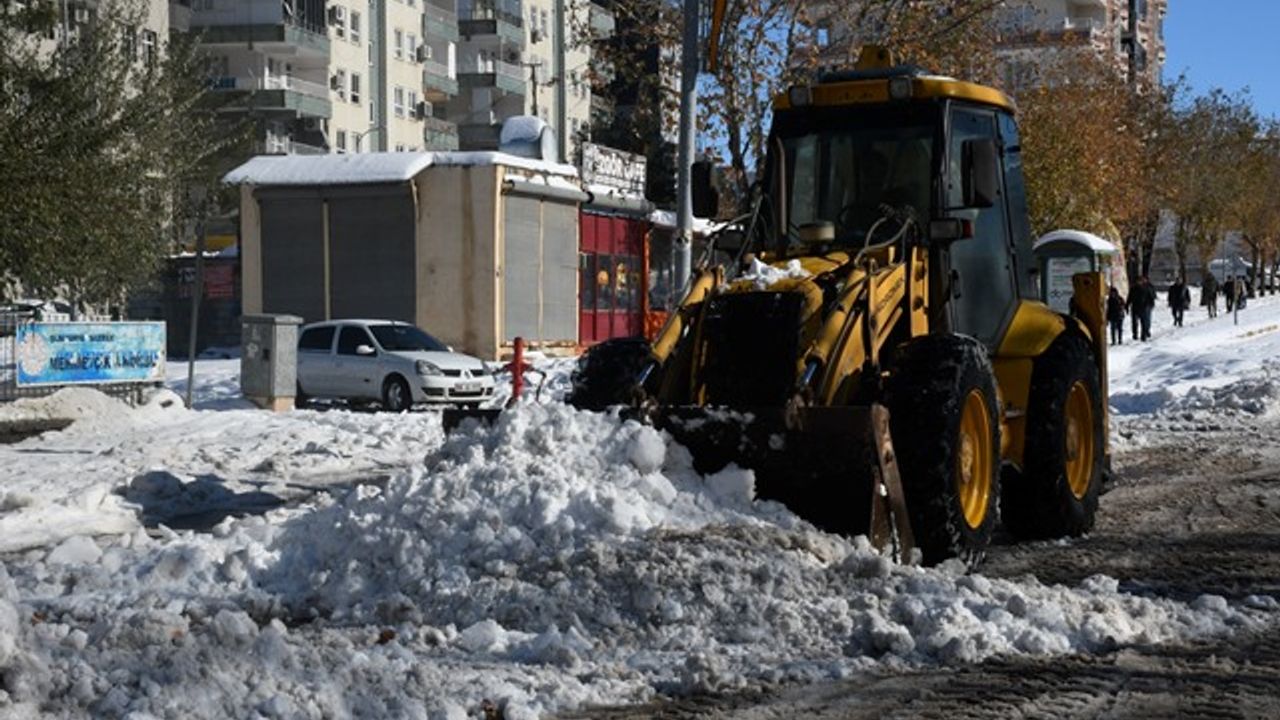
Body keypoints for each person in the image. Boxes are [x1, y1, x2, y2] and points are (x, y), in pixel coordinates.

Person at [1128, 275, 1156, 341]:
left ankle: (1143, 335)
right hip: (1135, 307)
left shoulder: (1146, 288)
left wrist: (1151, 304)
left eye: (1140, 281)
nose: (1139, 282)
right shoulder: (1133, 289)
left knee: (1144, 322)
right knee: (1134, 322)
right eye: (1138, 281)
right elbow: (1130, 297)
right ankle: (1135, 334)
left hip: (1144, 307)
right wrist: (1127, 305)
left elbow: (1151, 297)